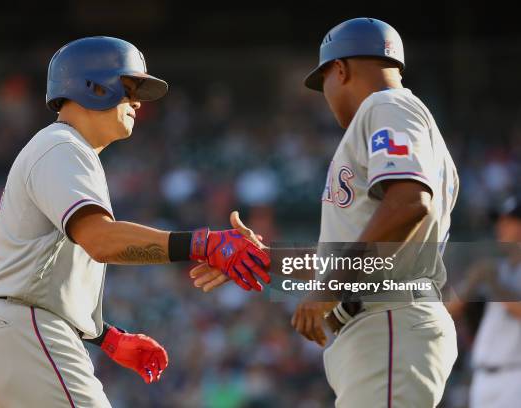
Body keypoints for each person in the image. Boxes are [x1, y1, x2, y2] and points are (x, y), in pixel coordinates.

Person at [0, 36, 270, 408]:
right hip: (25, 338)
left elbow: (45, 268)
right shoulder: (63, 145)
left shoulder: (59, 148)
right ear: (94, 86)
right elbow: (100, 240)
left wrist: (106, 338)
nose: (136, 102)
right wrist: (203, 243)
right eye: (128, 88)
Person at [192, 17, 459, 407]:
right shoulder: (390, 116)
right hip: (382, 325)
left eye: (325, 84)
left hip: (388, 320)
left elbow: (408, 201)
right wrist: (263, 260)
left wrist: (329, 284)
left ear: (341, 69)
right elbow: (349, 254)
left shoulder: (387, 104)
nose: (327, 95)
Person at [447, 196, 521, 408]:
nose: (500, 226)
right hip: (482, 376)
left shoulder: (494, 274)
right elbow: (449, 311)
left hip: (515, 377)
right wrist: (470, 285)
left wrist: (494, 284)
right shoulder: (497, 267)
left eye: (509, 221)